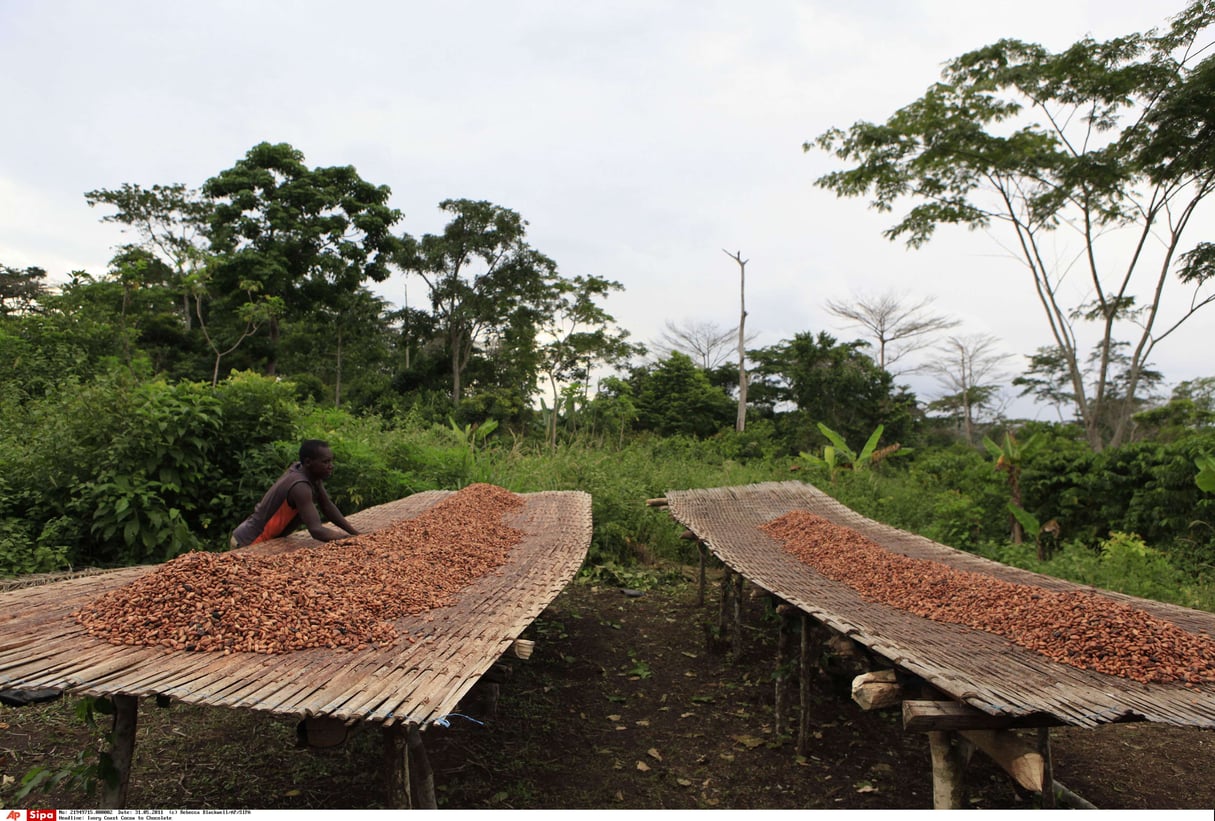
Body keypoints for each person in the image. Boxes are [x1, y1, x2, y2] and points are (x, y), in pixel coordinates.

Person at [229, 439, 360, 548]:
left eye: (331, 461)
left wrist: (355, 533)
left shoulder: (308, 473)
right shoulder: (300, 487)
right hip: (250, 541)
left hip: (254, 536)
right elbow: (316, 530)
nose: (331, 466)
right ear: (308, 462)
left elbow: (327, 506)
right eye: (325, 462)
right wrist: (347, 540)